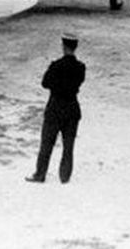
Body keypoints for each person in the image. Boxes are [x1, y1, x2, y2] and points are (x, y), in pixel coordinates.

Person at [26, 33, 86, 184]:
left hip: (55, 108)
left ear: (64, 46)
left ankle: (40, 174)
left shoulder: (56, 66)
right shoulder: (80, 68)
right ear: (75, 47)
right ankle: (65, 177)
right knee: (68, 146)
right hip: (72, 108)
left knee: (46, 144)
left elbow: (45, 83)